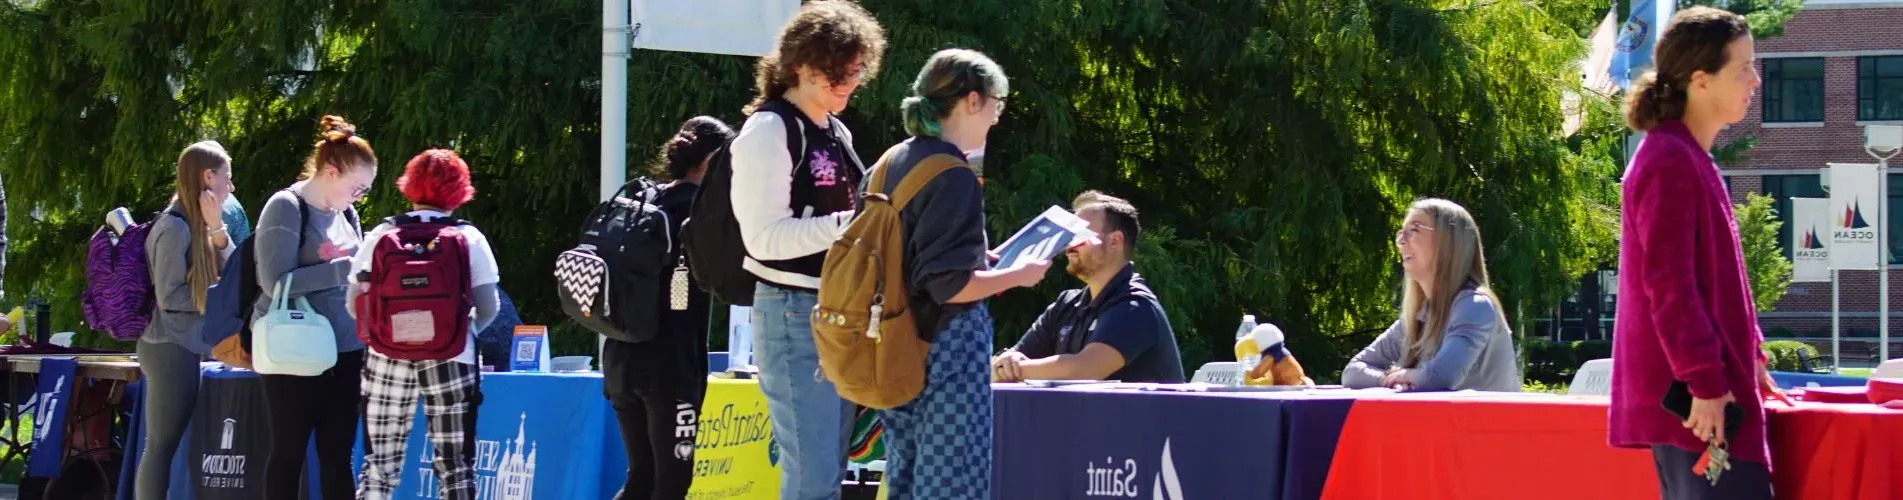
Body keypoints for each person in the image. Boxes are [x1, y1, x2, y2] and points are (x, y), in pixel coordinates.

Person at [1608, 8, 1781, 499]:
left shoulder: (1686, 156)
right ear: (1701, 82)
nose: (1755, 79)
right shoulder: (1668, 161)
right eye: (1743, 67)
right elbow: (1671, 289)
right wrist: (1704, 382)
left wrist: (1751, 355)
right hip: (1698, 406)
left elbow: (1720, 284)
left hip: (1709, 398)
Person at [872, 48, 1049, 498]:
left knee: (904, 483)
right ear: (972, 101)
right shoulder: (953, 174)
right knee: (952, 486)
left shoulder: (889, 164)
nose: (996, 117)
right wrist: (1018, 275)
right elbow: (949, 286)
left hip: (892, 344)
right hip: (947, 348)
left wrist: (986, 261)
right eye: (996, 104)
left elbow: (915, 262)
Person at [728, 2, 885, 498]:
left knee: (827, 471)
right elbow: (763, 239)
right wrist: (852, 223)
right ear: (799, 64)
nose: (848, 82)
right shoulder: (769, 129)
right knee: (813, 477)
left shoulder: (835, 131)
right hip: (794, 313)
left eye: (856, 70)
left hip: (837, 312)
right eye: (835, 72)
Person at [350, 149, 501, 500]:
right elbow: (489, 306)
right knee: (455, 466)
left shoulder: (381, 234)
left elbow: (353, 300)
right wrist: (461, 333)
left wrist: (383, 333)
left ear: (410, 184)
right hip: (452, 356)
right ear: (460, 189)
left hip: (385, 357)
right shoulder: (469, 238)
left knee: (379, 465)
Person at [602, 117, 727, 500]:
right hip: (671, 367)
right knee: (672, 484)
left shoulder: (646, 200)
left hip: (622, 357)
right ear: (711, 161)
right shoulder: (700, 212)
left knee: (640, 477)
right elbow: (729, 280)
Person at [253, 115, 373, 499]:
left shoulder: (347, 213)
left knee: (337, 456)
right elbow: (274, 283)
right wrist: (341, 270)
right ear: (331, 172)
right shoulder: (285, 207)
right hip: (296, 350)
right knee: (288, 454)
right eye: (356, 188)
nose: (358, 198)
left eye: (364, 192)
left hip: (347, 349)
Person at [992, 191, 1184, 384]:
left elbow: (1085, 370)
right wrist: (1007, 363)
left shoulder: (1135, 306)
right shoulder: (1065, 305)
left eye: (1079, 235)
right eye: (1067, 236)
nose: (1068, 246)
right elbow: (1005, 366)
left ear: (1114, 241)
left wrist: (1013, 369)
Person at [135, 140, 238, 499]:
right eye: (227, 177)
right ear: (208, 177)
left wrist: (216, 229)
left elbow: (235, 274)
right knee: (161, 445)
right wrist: (217, 300)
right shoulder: (173, 227)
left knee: (171, 444)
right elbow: (169, 297)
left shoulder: (201, 225)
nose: (231, 186)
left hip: (187, 343)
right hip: (168, 346)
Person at [1341, 198, 1520, 392]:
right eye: (1401, 232)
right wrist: (1388, 379)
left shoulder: (1475, 305)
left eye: (1414, 230)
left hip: (1488, 423)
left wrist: (1407, 375)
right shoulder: (1417, 316)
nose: (1401, 241)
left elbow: (1440, 378)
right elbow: (1352, 372)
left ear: (1449, 242)